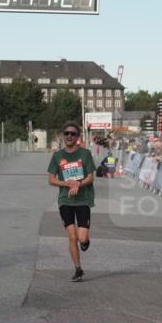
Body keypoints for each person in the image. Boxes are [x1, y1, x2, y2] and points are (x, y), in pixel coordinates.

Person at [47, 121, 96, 282]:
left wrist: (79, 184)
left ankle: (86, 240)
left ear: (77, 137)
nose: (69, 136)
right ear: (63, 136)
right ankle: (78, 269)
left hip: (82, 200)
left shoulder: (85, 154)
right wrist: (67, 183)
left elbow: (90, 177)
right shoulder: (57, 156)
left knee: (81, 238)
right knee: (72, 237)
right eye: (67, 133)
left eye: (73, 134)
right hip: (65, 201)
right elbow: (51, 180)